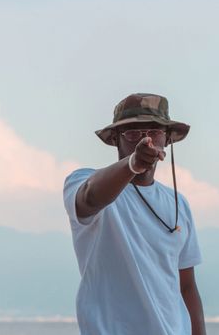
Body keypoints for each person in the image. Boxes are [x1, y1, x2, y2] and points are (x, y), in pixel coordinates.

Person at [63, 93, 206, 335]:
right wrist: (133, 164)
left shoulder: (178, 203)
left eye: (154, 131)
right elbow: (89, 196)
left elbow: (187, 287)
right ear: (116, 140)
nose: (145, 139)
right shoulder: (82, 180)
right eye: (132, 132)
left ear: (168, 139)